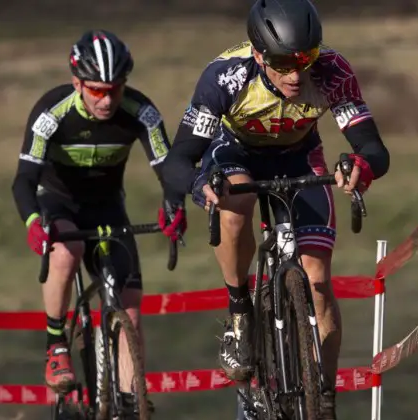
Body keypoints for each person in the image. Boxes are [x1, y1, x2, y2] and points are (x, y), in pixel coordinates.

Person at [160, 0, 390, 418]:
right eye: (284, 63)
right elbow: (179, 159)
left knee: (318, 280)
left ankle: (324, 399)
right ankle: (240, 310)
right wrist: (198, 186)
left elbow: (372, 146)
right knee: (237, 200)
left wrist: (361, 166)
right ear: (259, 54)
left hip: (300, 157)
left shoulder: (333, 71)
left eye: (307, 59)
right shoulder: (225, 77)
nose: (296, 74)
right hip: (236, 154)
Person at [10, 29, 187, 413]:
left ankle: (128, 401)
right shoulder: (51, 112)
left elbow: (169, 170)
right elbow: (23, 180)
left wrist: (174, 206)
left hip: (108, 208)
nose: (106, 100)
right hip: (59, 204)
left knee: (132, 311)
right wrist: (32, 223)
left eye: (114, 90)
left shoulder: (142, 111)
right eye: (96, 91)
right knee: (66, 250)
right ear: (77, 83)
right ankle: (56, 344)